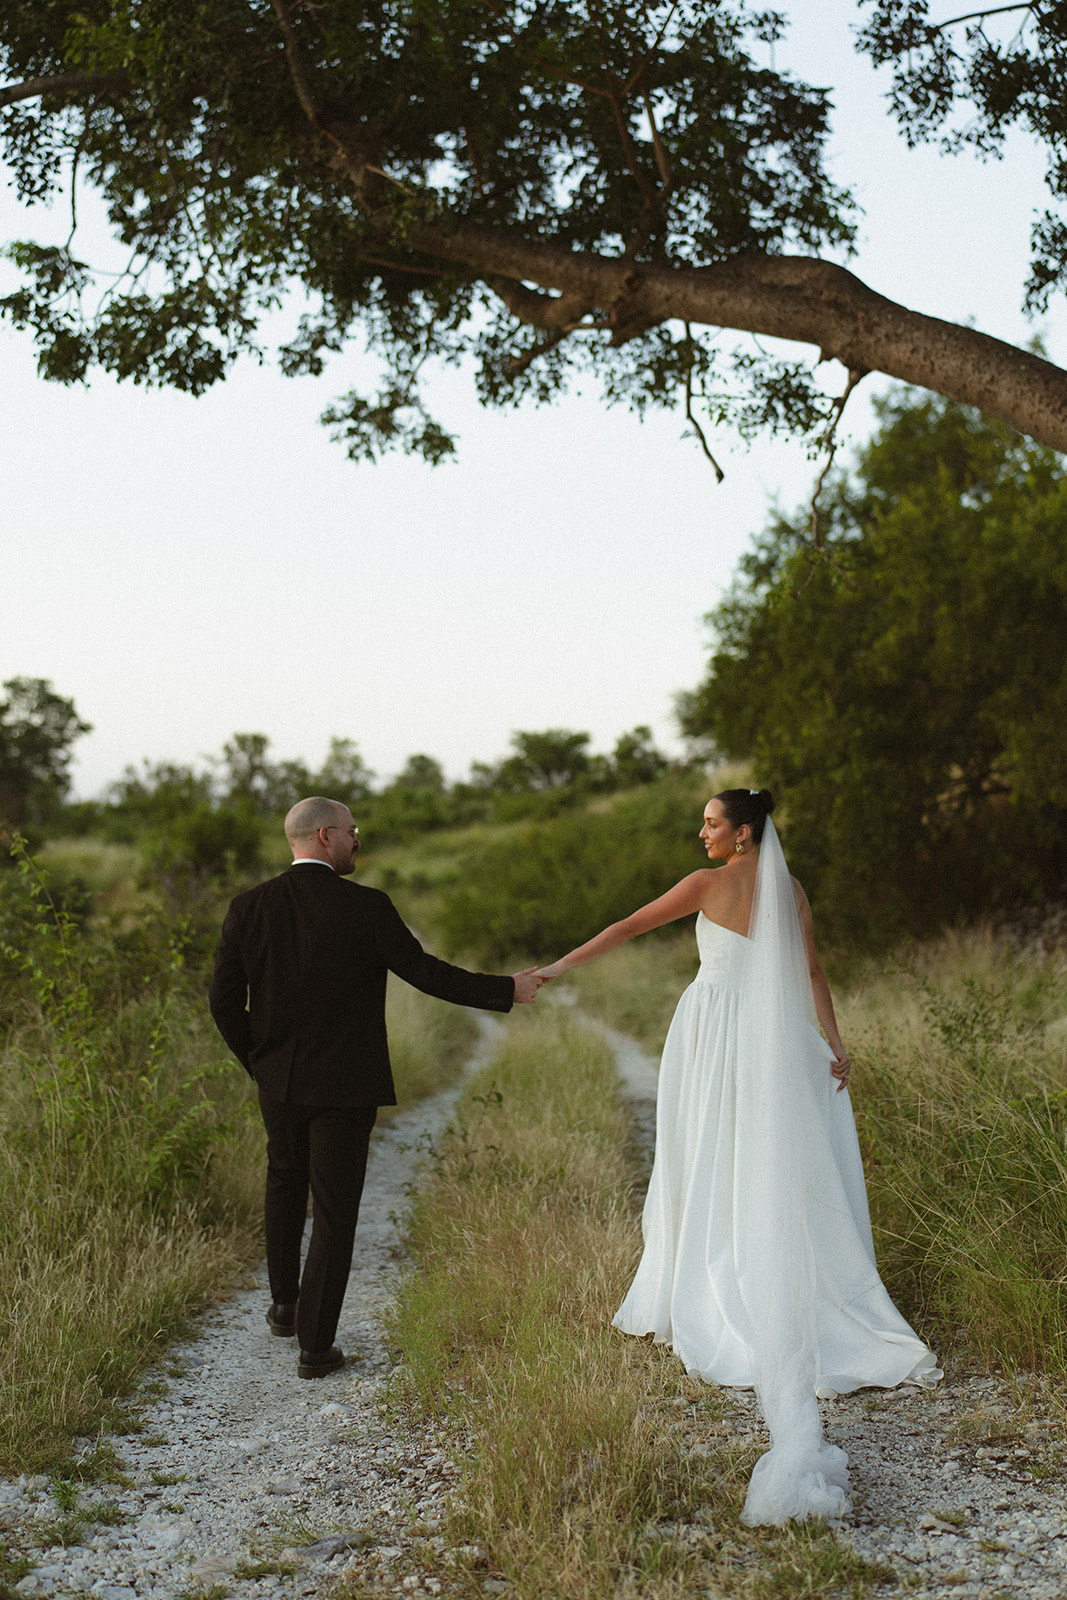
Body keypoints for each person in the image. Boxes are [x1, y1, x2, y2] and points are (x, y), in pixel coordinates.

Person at [537, 788, 940, 1525]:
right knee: (767, 1157)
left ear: (745, 833)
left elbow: (630, 925)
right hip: (779, 1035)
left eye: (713, 823)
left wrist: (556, 969)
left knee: (706, 1149)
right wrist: (835, 1044)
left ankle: (706, 1275)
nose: (702, 833)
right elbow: (812, 974)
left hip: (714, 1029)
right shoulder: (790, 889)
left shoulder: (706, 886)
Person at [209, 795, 544, 1379]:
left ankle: (285, 1306)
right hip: (346, 1084)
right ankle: (315, 1347)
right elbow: (426, 973)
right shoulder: (366, 907)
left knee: (284, 1182)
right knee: (334, 1210)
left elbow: (221, 1000)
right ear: (322, 837)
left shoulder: (249, 907)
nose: (357, 841)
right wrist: (504, 989)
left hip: (278, 1082)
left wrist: (259, 1062)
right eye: (350, 832)